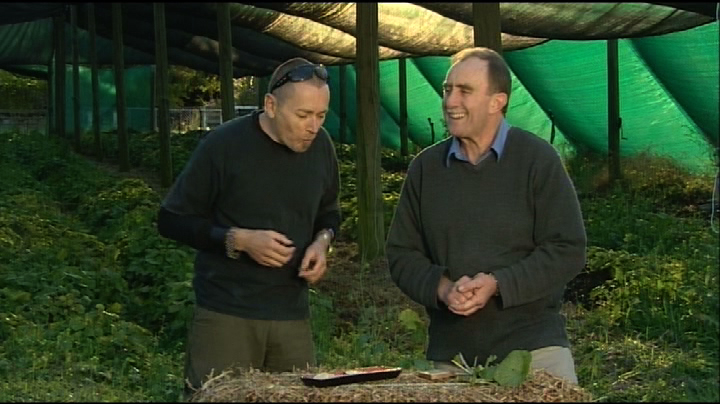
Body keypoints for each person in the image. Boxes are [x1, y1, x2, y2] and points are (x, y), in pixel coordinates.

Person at [385, 47, 587, 384]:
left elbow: (568, 249)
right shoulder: (426, 169)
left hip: (534, 352)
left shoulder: (537, 160)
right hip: (453, 359)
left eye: (465, 91)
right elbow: (401, 253)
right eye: (448, 89)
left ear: (498, 102)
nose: (450, 101)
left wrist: (498, 284)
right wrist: (442, 288)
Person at [157, 57, 341, 395]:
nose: (312, 127)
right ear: (271, 105)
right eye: (302, 116)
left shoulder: (322, 148)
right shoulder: (224, 145)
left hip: (291, 315)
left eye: (321, 116)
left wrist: (322, 242)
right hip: (227, 314)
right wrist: (237, 240)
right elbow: (170, 220)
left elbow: (329, 213)